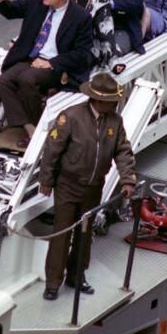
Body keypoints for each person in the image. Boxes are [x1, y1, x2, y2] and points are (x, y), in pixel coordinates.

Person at [38, 72, 136, 301]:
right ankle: (53, 283)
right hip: (68, 186)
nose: (115, 104)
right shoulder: (70, 117)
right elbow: (52, 151)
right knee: (61, 234)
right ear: (98, 100)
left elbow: (123, 151)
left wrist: (127, 179)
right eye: (111, 101)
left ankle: (77, 276)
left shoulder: (115, 122)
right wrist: (46, 181)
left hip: (94, 187)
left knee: (85, 234)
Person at [0, 0, 93, 146]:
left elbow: (82, 54)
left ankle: (35, 127)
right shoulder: (37, 1)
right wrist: (0, 0)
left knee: (27, 79)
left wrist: (51, 63)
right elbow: (12, 11)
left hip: (54, 66)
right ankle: (31, 129)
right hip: (29, 58)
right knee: (3, 82)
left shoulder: (79, 17)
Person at [69, 0, 117, 72]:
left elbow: (106, 35)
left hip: (89, 50)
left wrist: (111, 62)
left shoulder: (100, 1)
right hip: (69, 44)